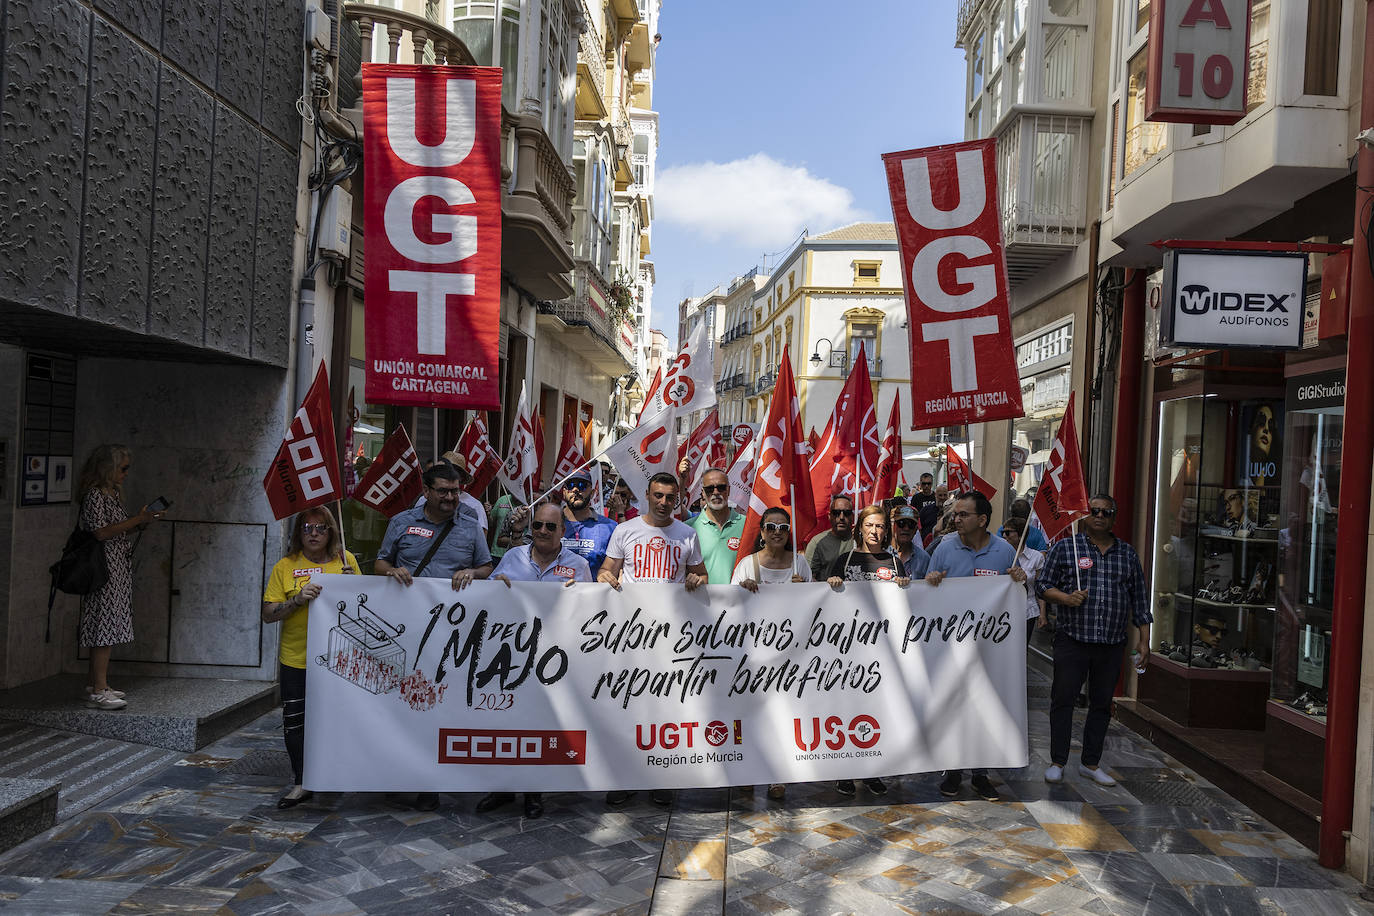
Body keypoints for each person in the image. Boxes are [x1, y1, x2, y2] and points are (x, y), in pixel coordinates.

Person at [375, 459, 493, 810]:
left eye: (455, 492)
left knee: (437, 705)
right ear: (425, 491)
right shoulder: (401, 523)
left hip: (450, 638)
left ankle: (429, 780)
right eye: (442, 491)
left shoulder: (471, 527)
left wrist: (473, 571)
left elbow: (487, 565)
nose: (450, 498)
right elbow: (380, 562)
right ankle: (396, 771)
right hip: (405, 633)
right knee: (401, 704)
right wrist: (392, 570)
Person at [477, 502, 593, 819]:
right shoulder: (512, 558)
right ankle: (501, 789)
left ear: (562, 531)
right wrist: (495, 587)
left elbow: (592, 614)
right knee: (506, 723)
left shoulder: (579, 566)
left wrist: (581, 595)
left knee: (540, 726)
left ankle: (533, 792)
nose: (542, 531)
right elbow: (486, 603)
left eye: (550, 527)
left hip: (552, 661)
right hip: (510, 657)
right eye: (537, 525)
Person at [599, 472, 708, 806]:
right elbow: (608, 570)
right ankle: (624, 778)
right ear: (646, 495)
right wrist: (604, 576)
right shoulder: (625, 530)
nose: (664, 503)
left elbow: (702, 575)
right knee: (628, 707)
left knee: (664, 710)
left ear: (678, 499)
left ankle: (660, 777)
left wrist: (696, 577)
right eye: (658, 496)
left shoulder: (687, 535)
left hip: (671, 639)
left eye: (670, 497)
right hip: (630, 637)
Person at [1037, 495, 1151, 788]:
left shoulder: (1127, 554)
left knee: (1101, 704)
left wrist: (1144, 640)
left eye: (1106, 512)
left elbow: (1139, 599)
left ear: (1114, 518)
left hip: (1111, 644)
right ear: (1086, 515)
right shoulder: (1067, 547)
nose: (1100, 516)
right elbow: (1042, 585)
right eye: (1095, 511)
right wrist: (1065, 598)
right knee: (1063, 700)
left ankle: (1091, 763)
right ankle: (1057, 762)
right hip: (1072, 639)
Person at [926, 490, 1027, 801]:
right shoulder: (944, 548)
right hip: (951, 648)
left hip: (989, 650)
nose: (955, 519)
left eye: (963, 514)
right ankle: (954, 770)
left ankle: (981, 774)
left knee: (986, 708)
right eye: (955, 514)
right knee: (955, 707)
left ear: (982, 520)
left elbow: (1015, 591)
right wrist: (930, 579)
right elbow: (922, 588)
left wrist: (1019, 578)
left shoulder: (1004, 551)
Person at [261, 508, 360, 809]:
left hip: (339, 659)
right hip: (297, 659)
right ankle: (302, 781)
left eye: (320, 528)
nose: (314, 534)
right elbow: (267, 615)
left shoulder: (347, 560)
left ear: (331, 531)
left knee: (336, 719)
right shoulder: (285, 566)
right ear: (298, 533)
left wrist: (352, 584)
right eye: (307, 528)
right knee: (295, 722)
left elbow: (366, 605)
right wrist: (297, 599)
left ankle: (334, 774)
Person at [826, 504, 909, 798]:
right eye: (870, 526)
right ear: (859, 528)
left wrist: (905, 585)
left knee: (880, 714)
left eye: (880, 527)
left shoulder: (895, 562)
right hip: (849, 652)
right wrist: (832, 584)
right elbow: (826, 603)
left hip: (884, 654)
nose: (875, 532)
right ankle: (846, 772)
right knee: (850, 711)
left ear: (886, 531)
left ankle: (874, 771)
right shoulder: (844, 560)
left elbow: (908, 605)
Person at [76, 445, 164, 710]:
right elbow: (101, 532)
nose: (126, 473)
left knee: (110, 625)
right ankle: (99, 689)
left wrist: (140, 522)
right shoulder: (94, 495)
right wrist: (136, 519)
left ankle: (97, 684)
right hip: (102, 569)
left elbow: (116, 531)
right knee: (103, 627)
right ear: (108, 468)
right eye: (122, 468)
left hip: (117, 568)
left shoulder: (112, 494)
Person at [688, 467, 745, 583]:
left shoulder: (747, 525)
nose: (715, 492)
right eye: (709, 489)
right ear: (703, 493)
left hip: (738, 599)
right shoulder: (688, 529)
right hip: (701, 599)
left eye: (721, 487)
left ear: (728, 490)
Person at [560, 469, 617, 576]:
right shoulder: (548, 524)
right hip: (555, 591)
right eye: (571, 485)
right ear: (564, 492)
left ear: (592, 493)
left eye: (582, 485)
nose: (576, 489)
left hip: (593, 592)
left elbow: (616, 568)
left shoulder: (610, 527)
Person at [1001, 517, 1047, 642]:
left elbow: (1040, 587)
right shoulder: (998, 554)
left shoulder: (1036, 557)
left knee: (1021, 650)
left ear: (1021, 535)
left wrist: (1042, 613)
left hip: (1027, 610)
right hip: (1002, 610)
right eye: (1002, 533)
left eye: (1008, 532)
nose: (1004, 535)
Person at [805, 495, 855, 582]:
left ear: (852, 516)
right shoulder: (817, 542)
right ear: (829, 516)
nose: (841, 517)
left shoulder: (860, 540)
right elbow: (808, 576)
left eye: (846, 513)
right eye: (836, 513)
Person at [889, 505, 931, 579]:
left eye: (911, 524)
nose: (906, 528)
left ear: (915, 530)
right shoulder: (882, 554)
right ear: (894, 526)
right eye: (901, 523)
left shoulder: (924, 559)